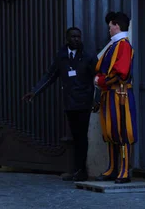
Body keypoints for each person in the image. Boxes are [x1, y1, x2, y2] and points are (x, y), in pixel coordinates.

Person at [23, 27, 99, 182]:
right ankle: (77, 169)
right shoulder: (62, 56)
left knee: (81, 137)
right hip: (70, 103)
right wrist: (34, 91)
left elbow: (97, 79)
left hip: (84, 102)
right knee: (75, 136)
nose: (76, 39)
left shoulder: (89, 56)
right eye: (73, 37)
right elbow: (50, 75)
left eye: (78, 36)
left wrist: (96, 99)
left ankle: (81, 170)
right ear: (67, 39)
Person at [94, 12, 137, 184]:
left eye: (110, 26)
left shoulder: (123, 45)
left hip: (120, 95)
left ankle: (124, 171)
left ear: (117, 25)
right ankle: (113, 168)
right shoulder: (115, 45)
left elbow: (122, 72)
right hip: (110, 94)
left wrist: (101, 81)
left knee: (123, 132)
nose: (109, 29)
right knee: (110, 133)